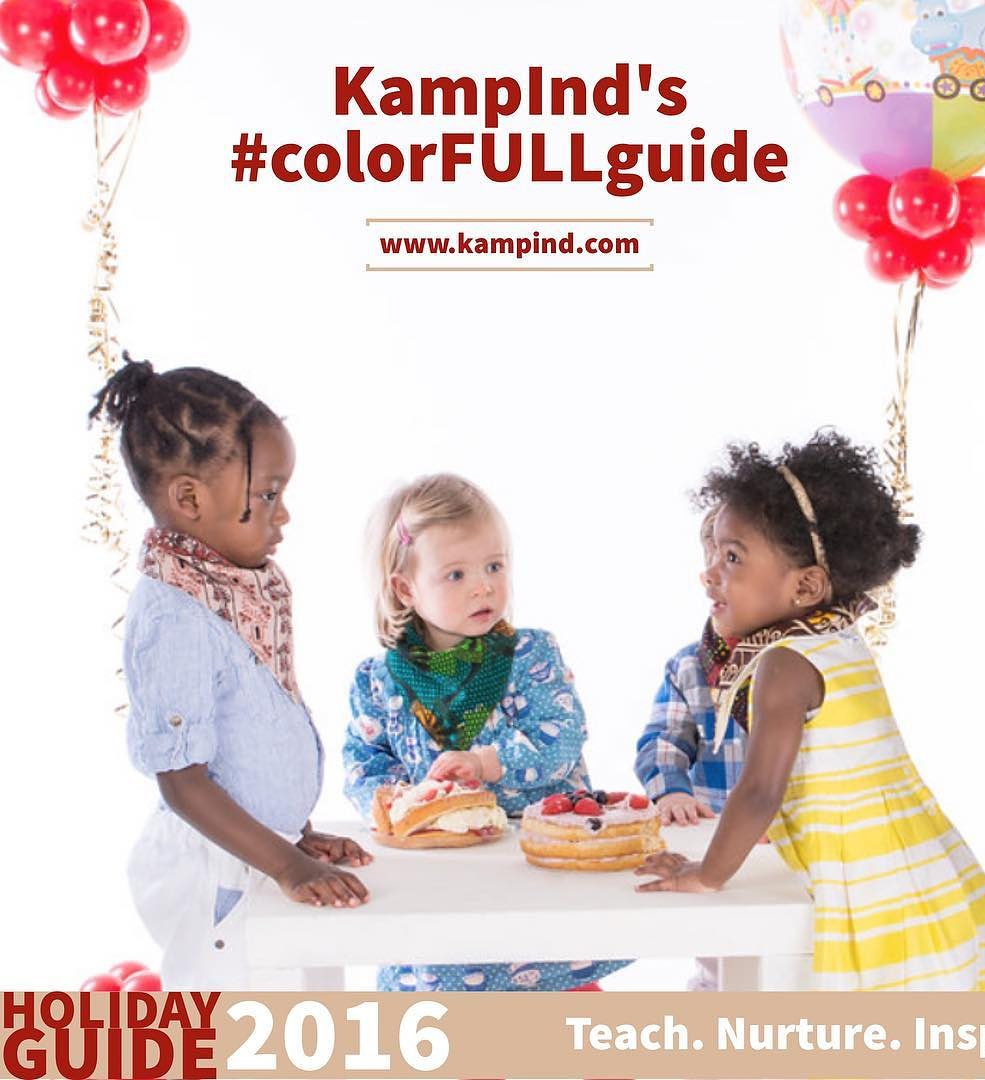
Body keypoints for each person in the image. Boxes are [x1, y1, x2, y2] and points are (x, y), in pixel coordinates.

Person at [637, 431, 985, 991]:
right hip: (909, 860)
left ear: (805, 586)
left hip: (865, 878)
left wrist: (707, 874)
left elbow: (760, 792)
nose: (710, 573)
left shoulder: (784, 663)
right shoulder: (840, 642)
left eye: (732, 557)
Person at [90, 355, 371, 989]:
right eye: (268, 494)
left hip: (262, 853)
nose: (283, 514)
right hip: (222, 869)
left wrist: (296, 837)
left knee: (306, 1019)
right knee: (238, 1028)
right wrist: (284, 864)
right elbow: (183, 781)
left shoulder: (232, 590)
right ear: (189, 497)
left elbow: (249, 739)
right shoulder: (177, 615)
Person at [344, 472, 626, 991]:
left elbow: (561, 738)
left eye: (495, 566)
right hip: (441, 887)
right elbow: (366, 764)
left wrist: (484, 763)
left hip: (536, 874)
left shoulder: (529, 655)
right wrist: (395, 800)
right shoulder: (379, 680)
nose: (484, 586)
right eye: (456, 574)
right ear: (406, 588)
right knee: (448, 1023)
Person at [634, 507, 747, 826]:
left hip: (788, 838)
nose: (710, 577)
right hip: (713, 833)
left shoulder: (806, 662)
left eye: (733, 561)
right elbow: (663, 740)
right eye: (710, 562)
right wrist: (671, 792)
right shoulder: (689, 667)